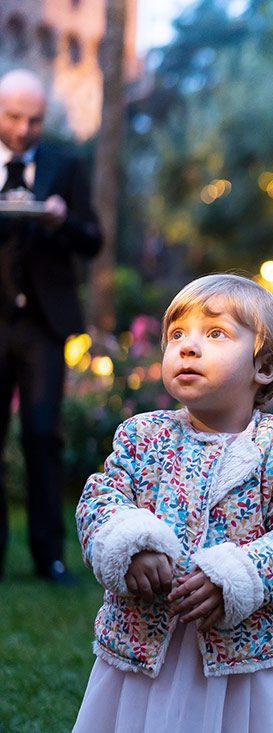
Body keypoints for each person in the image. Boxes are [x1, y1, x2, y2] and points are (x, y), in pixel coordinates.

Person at [72, 274, 273, 732]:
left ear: (265, 366)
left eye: (215, 334)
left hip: (251, 658)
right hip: (148, 648)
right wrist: (130, 544)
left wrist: (238, 577)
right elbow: (102, 498)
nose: (188, 347)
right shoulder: (143, 436)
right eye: (177, 335)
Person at [0, 68, 102, 584]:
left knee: (43, 436)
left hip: (43, 327)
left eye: (34, 120)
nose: (23, 130)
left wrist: (62, 220)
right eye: (14, 117)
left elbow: (93, 240)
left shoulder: (65, 164)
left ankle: (49, 557)